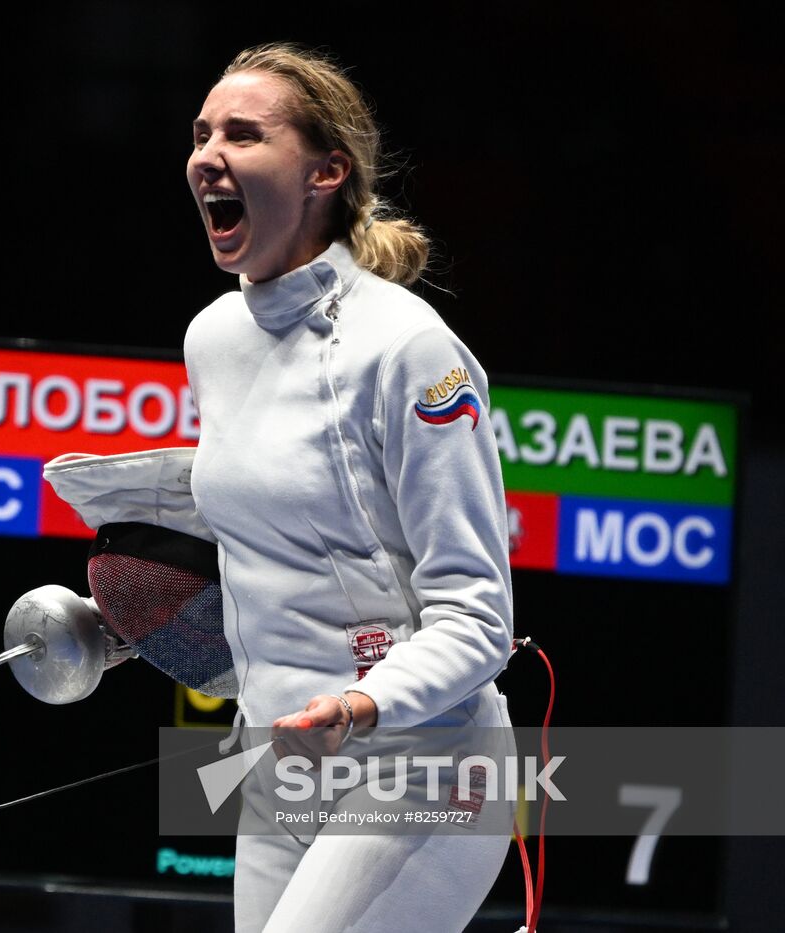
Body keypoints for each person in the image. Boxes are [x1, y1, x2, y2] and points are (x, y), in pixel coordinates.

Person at [181, 43, 517, 932]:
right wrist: (121, 616)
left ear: (325, 172)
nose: (209, 155)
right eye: (202, 134)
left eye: (243, 135)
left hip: (423, 763)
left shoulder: (408, 346)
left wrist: (363, 702)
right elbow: (267, 541)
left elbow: (478, 615)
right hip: (282, 768)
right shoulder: (213, 339)